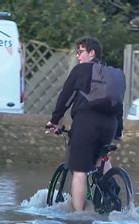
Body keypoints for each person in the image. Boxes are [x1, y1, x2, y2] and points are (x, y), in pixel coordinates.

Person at [46, 36, 123, 212]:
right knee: (102, 157)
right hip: (110, 125)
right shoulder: (115, 75)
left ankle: (78, 217)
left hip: (86, 123)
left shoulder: (81, 70)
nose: (78, 56)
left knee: (79, 170)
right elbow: (119, 105)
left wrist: (54, 121)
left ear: (92, 53)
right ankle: (111, 195)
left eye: (80, 52)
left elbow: (65, 98)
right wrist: (119, 132)